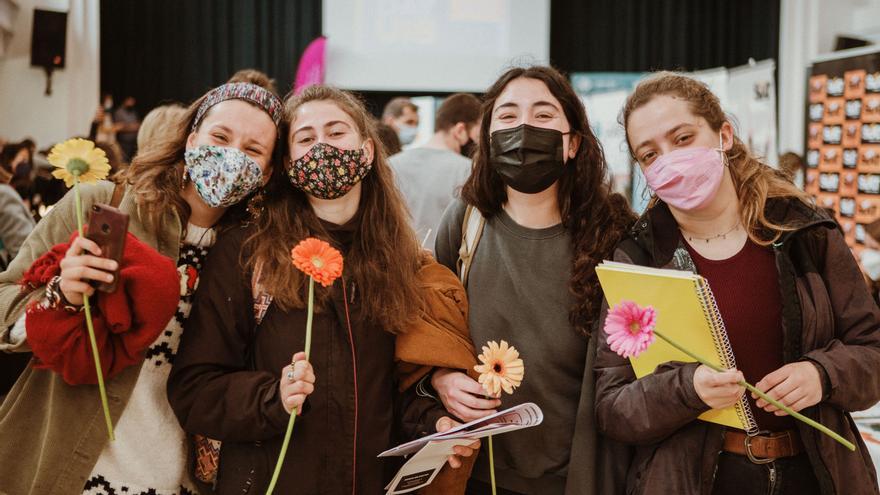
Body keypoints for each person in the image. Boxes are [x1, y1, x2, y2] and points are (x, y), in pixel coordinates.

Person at [168, 84, 478, 493]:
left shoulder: (399, 261)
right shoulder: (248, 251)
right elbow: (195, 388)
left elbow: (395, 386)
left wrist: (433, 421)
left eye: (336, 132)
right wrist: (272, 397)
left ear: (366, 150)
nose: (322, 147)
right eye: (306, 138)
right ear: (287, 163)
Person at [595, 72, 880, 495]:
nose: (669, 159)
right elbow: (613, 406)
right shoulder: (638, 260)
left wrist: (822, 374)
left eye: (683, 138)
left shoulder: (805, 233)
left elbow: (872, 351)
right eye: (650, 154)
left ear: (724, 135)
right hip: (691, 480)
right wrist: (686, 389)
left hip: (815, 474)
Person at [0, 81, 283, 494]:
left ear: (269, 171)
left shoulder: (257, 258)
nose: (232, 155)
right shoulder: (101, 205)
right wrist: (61, 295)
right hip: (65, 466)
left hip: (175, 478)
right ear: (191, 139)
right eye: (220, 137)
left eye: (253, 150)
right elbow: (5, 309)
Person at [432, 66, 636, 494]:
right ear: (487, 138)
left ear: (574, 142)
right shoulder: (466, 221)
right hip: (479, 473)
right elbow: (433, 325)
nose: (523, 128)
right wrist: (440, 378)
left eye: (543, 115)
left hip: (579, 476)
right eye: (507, 116)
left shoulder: (613, 232)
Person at [390, 93, 481, 249]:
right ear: (460, 130)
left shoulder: (392, 164)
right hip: (446, 269)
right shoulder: (468, 170)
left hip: (398, 264)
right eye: (477, 136)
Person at [114, 96, 142, 162]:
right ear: (125, 101)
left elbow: (138, 124)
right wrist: (132, 127)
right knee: (123, 160)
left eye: (133, 101)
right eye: (130, 101)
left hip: (133, 141)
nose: (131, 103)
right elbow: (118, 127)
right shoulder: (119, 112)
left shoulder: (133, 111)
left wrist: (131, 126)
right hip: (124, 142)